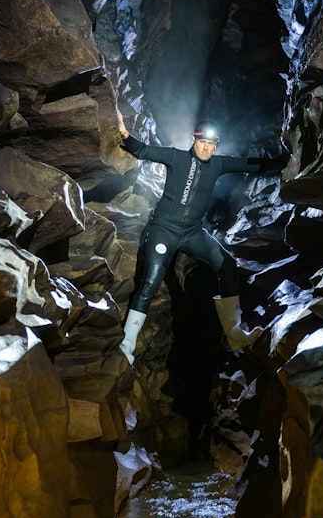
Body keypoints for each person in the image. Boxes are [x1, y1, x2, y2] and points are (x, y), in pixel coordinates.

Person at [116, 113, 288, 364]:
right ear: (194, 140)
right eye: (202, 142)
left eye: (211, 144)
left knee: (228, 266)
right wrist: (123, 133)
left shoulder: (218, 164)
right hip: (164, 229)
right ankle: (127, 344)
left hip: (193, 232)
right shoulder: (176, 157)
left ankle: (235, 334)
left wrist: (285, 161)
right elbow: (142, 150)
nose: (206, 148)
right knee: (152, 279)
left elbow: (252, 165)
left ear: (215, 145)